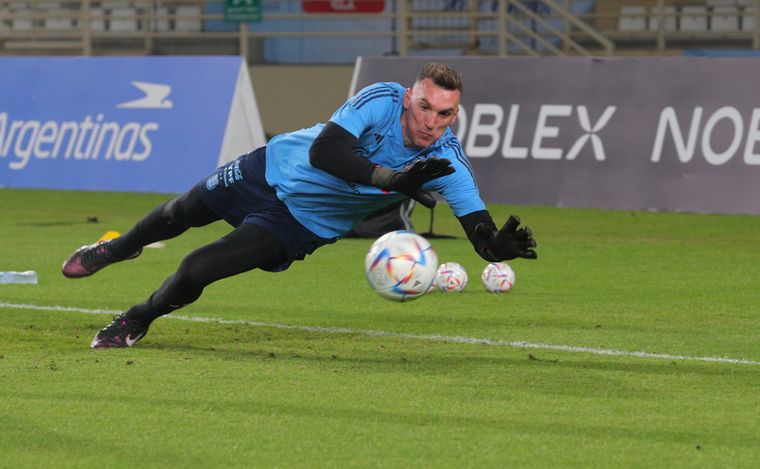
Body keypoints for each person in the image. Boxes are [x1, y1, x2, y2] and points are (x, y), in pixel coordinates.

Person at [61, 62, 538, 349]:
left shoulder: (446, 160)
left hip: (297, 222)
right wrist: (389, 179)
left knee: (197, 268)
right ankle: (119, 248)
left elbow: (478, 229)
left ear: (456, 113)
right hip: (271, 168)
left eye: (446, 114)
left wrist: (497, 247)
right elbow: (324, 151)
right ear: (410, 98)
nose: (433, 122)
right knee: (179, 213)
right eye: (426, 108)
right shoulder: (381, 100)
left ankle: (137, 319)